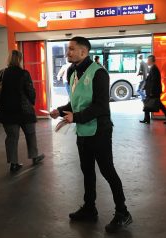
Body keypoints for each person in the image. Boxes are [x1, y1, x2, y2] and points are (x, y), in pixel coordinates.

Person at [50, 37, 132, 233]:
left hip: (100, 131)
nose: (68, 52)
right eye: (68, 49)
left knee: (107, 171)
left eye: (71, 49)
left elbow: (101, 106)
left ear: (83, 52)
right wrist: (60, 111)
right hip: (83, 131)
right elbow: (75, 102)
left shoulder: (99, 73)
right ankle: (89, 208)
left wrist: (75, 117)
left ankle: (123, 212)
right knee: (87, 170)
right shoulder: (72, 72)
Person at [0, 50, 45, 173]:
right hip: (24, 110)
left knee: (12, 137)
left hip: (7, 110)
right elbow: (30, 90)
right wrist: (32, 101)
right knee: (30, 133)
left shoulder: (2, 73)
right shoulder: (24, 73)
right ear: (20, 59)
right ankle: (34, 156)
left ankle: (13, 163)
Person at [139, 55, 166, 125]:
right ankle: (146, 119)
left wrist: (151, 91)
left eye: (148, 60)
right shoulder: (153, 68)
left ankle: (147, 119)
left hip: (153, 92)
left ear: (152, 61)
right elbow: (150, 81)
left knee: (148, 103)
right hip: (153, 91)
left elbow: (154, 81)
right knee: (150, 103)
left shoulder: (154, 69)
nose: (147, 61)